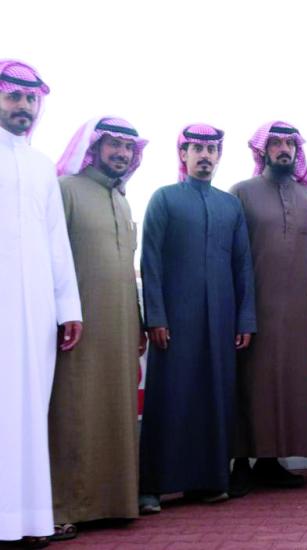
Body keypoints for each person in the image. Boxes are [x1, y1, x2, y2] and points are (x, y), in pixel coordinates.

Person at [139, 124, 256, 512]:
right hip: (174, 321)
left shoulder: (230, 205)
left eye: (212, 149)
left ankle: (207, 482)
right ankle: (152, 487)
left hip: (221, 321)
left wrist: (245, 319)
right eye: (198, 149)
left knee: (214, 399)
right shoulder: (164, 198)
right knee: (169, 398)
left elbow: (242, 265)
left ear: (219, 156)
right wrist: (155, 317)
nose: (205, 155)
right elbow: (150, 261)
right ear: (183, 154)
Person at [49, 117, 148, 538]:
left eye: (128, 148)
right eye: (113, 145)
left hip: (121, 327)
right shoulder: (66, 190)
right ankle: (65, 506)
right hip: (78, 329)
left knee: (115, 409)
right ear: (93, 147)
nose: (122, 154)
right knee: (73, 411)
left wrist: (138, 323)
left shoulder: (122, 201)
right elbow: (50, 258)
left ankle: (115, 502)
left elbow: (127, 268)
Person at [0, 59, 82, 549]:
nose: (24, 106)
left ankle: (28, 521)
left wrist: (68, 307)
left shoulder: (39, 166)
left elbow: (57, 242)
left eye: (31, 99)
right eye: (14, 96)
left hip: (34, 314)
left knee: (30, 412)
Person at [228, 122, 307, 496]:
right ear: (262, 150)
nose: (284, 149)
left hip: (297, 311)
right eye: (276, 143)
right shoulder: (242, 192)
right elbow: (232, 255)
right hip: (254, 309)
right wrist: (239, 311)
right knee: (249, 383)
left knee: (284, 384)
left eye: (290, 144)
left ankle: (269, 462)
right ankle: (239, 463)